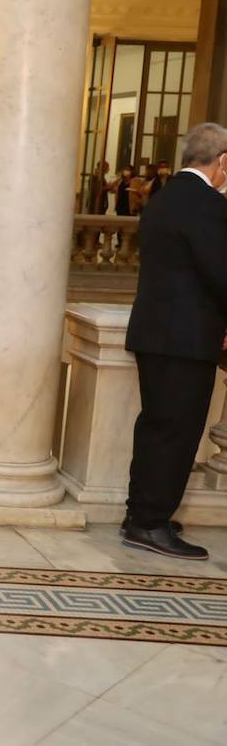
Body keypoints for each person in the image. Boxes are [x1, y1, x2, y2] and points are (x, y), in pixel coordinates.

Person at [122, 122, 227, 560]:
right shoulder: (206, 204)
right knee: (176, 433)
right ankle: (149, 523)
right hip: (185, 339)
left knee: (156, 428)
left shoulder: (164, 197)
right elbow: (220, 273)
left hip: (156, 333)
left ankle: (142, 515)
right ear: (223, 161)